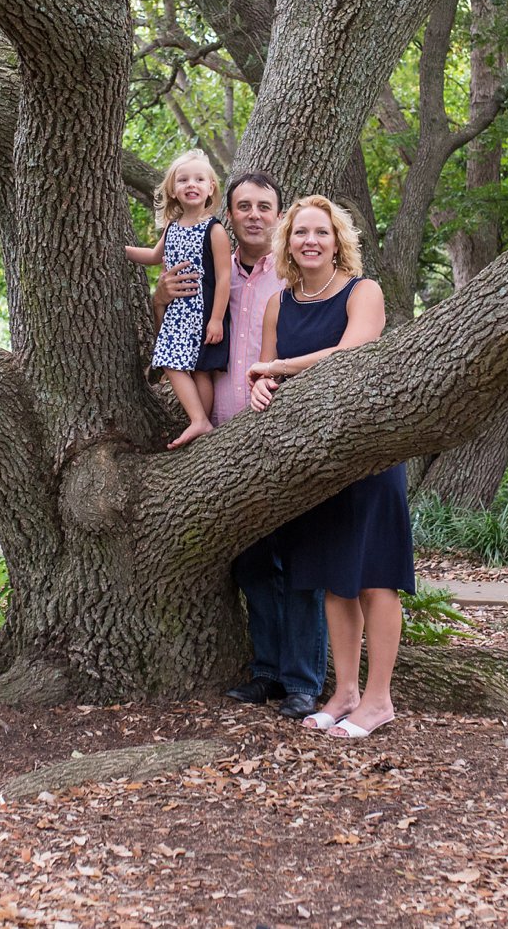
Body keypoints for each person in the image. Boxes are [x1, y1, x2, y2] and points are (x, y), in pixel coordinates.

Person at [156, 171, 327, 721]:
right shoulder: (213, 270)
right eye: (244, 206)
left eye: (265, 206)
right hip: (229, 430)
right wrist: (159, 294)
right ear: (227, 215)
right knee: (252, 564)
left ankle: (303, 680)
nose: (255, 215)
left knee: (300, 561)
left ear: (279, 215)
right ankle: (268, 673)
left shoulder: (299, 272)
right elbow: (177, 330)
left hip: (288, 428)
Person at [248, 195, 414, 740]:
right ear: (287, 242)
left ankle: (379, 699)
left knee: (373, 580)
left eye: (321, 232)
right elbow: (266, 377)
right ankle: (343, 693)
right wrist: (264, 387)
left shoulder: (362, 292)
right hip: (314, 463)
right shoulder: (278, 304)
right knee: (335, 584)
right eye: (300, 233)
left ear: (338, 240)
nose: (310, 241)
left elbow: (351, 351)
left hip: (367, 452)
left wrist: (277, 367)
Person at [126, 149, 233, 448]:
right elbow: (152, 256)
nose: (191, 184)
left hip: (201, 311)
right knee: (175, 362)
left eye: (200, 179)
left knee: (196, 367)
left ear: (211, 187)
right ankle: (200, 420)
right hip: (177, 311)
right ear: (173, 189)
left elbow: (225, 277)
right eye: (183, 179)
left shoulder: (214, 230)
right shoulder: (172, 227)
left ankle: (200, 419)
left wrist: (215, 319)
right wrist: (119, 249)